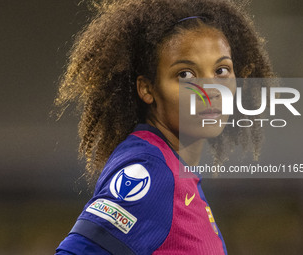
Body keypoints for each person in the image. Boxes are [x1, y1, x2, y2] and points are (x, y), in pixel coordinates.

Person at [55, 0, 273, 254]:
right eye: (186, 75)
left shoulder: (174, 170)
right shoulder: (151, 171)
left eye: (221, 70)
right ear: (147, 89)